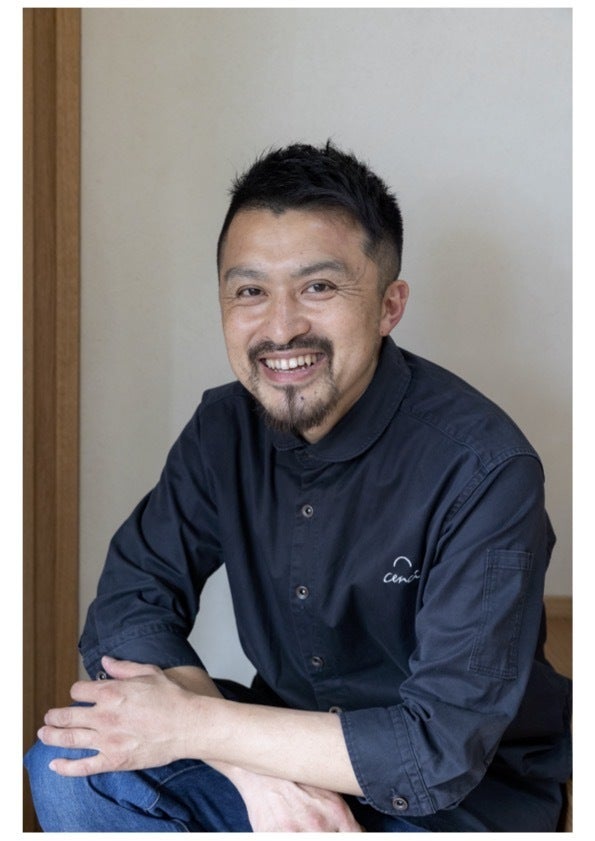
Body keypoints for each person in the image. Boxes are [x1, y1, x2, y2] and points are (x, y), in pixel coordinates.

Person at [25, 141, 571, 832]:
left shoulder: (485, 468)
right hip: (275, 747)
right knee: (70, 764)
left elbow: (436, 752)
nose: (280, 327)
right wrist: (246, 765)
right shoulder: (222, 428)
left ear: (389, 306)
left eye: (318, 287)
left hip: (455, 801)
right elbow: (128, 609)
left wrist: (194, 725)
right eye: (250, 291)